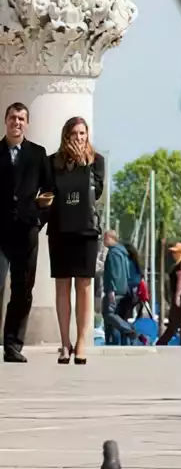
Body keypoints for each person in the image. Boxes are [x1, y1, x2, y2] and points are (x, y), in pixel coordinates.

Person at [44, 116, 106, 365]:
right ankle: (64, 343)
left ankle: (81, 342)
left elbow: (97, 192)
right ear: (66, 135)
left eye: (82, 133)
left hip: (86, 231)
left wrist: (82, 165)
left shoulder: (96, 161)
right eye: (74, 133)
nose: (79, 138)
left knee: (84, 285)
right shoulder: (52, 162)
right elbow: (48, 190)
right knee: (62, 285)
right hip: (60, 230)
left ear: (87, 135)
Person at [0, 101, 53, 363]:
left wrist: (37, 220)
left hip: (26, 230)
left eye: (21, 118)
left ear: (27, 123)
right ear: (6, 121)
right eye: (12, 117)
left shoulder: (38, 154)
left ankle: (12, 345)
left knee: (23, 289)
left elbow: (50, 190)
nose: (16, 122)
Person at [100, 230, 140, 346]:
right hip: (123, 289)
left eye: (105, 238)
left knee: (109, 314)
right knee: (115, 316)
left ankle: (130, 330)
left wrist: (111, 290)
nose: (103, 241)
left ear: (112, 239)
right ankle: (112, 341)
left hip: (114, 289)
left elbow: (114, 273)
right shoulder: (123, 253)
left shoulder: (113, 252)